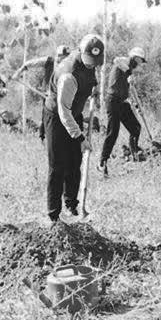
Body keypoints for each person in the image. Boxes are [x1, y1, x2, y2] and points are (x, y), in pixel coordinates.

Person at [45, 34, 103, 222]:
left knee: (74, 161)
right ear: (80, 52)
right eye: (89, 61)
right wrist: (80, 138)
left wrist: (94, 90)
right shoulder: (68, 74)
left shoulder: (91, 65)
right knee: (57, 165)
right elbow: (64, 112)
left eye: (94, 62)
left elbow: (90, 79)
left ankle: (71, 205)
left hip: (73, 113)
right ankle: (53, 215)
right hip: (57, 116)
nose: (91, 65)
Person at [99, 47, 147, 174]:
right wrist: (128, 72)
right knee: (113, 132)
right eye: (140, 61)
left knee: (136, 128)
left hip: (122, 102)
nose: (141, 64)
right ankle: (102, 163)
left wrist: (137, 107)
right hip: (112, 101)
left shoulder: (129, 71)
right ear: (136, 58)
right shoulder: (123, 64)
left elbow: (128, 91)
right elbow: (117, 60)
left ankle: (135, 154)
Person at [14, 45, 71, 141]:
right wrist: (19, 71)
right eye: (62, 57)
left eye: (67, 57)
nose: (64, 60)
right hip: (48, 95)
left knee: (63, 117)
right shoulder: (49, 61)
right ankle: (43, 138)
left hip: (63, 95)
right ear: (58, 56)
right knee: (47, 117)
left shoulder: (70, 65)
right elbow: (30, 64)